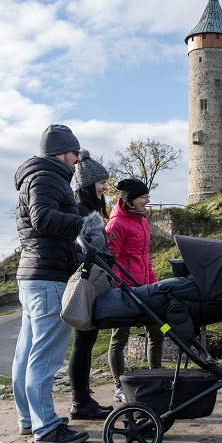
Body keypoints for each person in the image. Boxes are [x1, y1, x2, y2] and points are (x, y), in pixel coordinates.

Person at [12, 124, 89, 443]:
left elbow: (43, 228)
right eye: (75, 154)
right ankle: (46, 427)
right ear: (62, 152)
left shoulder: (37, 176)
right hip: (47, 278)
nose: (76, 161)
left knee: (27, 351)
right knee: (44, 356)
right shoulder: (46, 177)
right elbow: (43, 218)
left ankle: (29, 419)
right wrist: (85, 223)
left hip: (35, 273)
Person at [105, 178, 164, 402]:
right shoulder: (116, 225)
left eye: (147, 196)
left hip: (145, 288)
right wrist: (122, 288)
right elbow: (112, 262)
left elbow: (145, 258)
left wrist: (153, 285)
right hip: (125, 290)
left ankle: (156, 375)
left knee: (157, 331)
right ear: (130, 201)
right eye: (143, 197)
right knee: (120, 336)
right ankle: (119, 385)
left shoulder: (143, 222)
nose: (147, 200)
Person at [67, 149, 114, 420]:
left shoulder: (91, 210)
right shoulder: (84, 212)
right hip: (88, 280)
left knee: (85, 340)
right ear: (87, 185)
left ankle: (83, 399)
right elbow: (87, 246)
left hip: (95, 278)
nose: (104, 187)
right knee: (83, 342)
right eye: (100, 182)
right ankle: (80, 402)